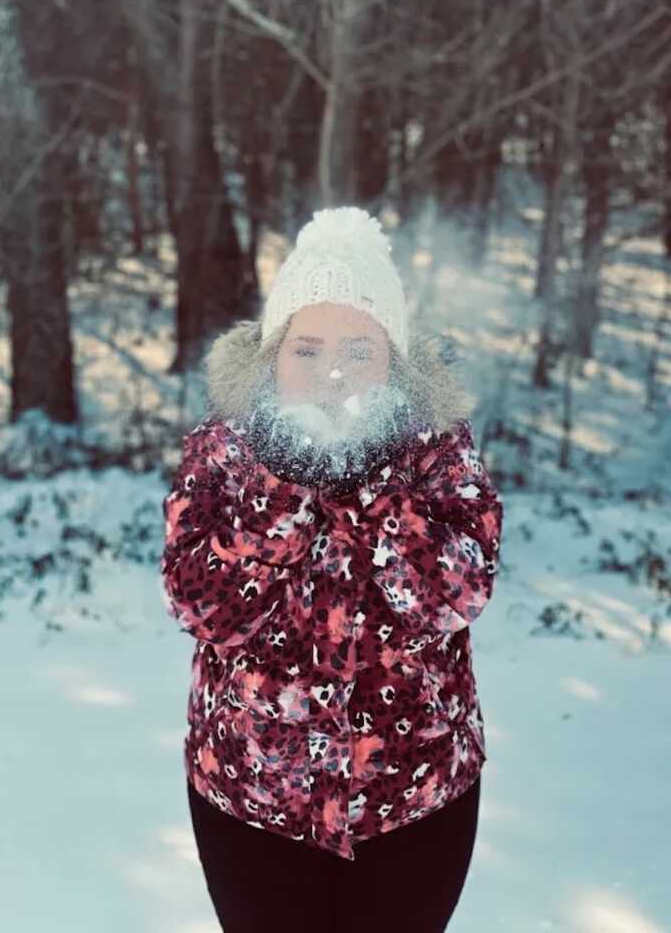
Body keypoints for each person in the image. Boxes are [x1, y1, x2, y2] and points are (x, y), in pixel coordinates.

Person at [160, 206, 503, 933]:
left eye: (359, 349)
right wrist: (286, 484)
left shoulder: (436, 449)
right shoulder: (223, 451)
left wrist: (370, 481)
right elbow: (202, 606)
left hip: (414, 803)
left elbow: (459, 590)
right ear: (272, 356)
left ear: (395, 361)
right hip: (252, 804)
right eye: (307, 350)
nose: (332, 373)